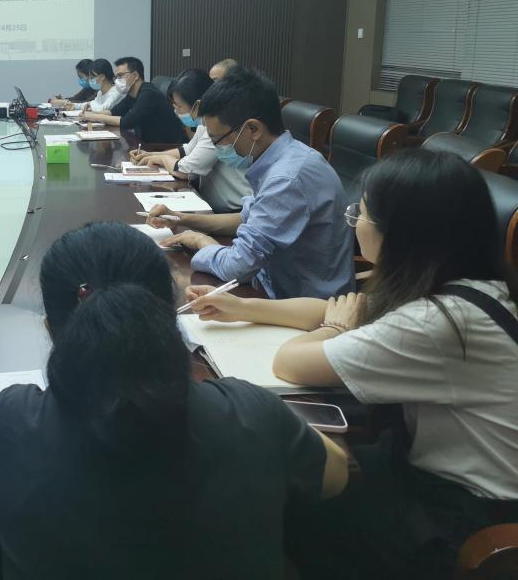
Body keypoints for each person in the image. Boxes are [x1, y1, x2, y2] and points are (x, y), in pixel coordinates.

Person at [0, 221, 347, 580]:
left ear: (51, 329)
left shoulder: (8, 422)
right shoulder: (249, 413)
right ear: (170, 319)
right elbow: (336, 475)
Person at [185, 149, 518, 580]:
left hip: (468, 515)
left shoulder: (438, 322)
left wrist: (335, 330)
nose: (354, 222)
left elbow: (291, 362)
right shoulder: (465, 289)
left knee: (277, 496)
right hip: (431, 471)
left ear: (400, 233)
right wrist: (242, 307)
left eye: (360, 213)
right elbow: (331, 309)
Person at [148, 69, 354, 299]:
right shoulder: (283, 157)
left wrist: (201, 241)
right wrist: (182, 219)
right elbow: (248, 219)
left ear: (253, 129)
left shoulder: (286, 179)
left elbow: (237, 267)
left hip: (298, 303)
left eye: (218, 140)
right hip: (271, 284)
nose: (217, 148)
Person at [131, 69, 251, 213]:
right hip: (212, 203)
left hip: (235, 210)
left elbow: (185, 170)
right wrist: (149, 155)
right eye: (174, 106)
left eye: (179, 106)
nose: (176, 111)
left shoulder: (217, 130)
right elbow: (186, 150)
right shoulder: (204, 124)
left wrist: (161, 158)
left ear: (197, 104)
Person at [81, 57, 185, 145]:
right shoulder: (131, 94)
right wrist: (90, 114)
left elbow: (126, 122)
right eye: (116, 77)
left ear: (135, 76)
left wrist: (94, 117)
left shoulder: (148, 94)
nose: (116, 80)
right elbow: (112, 112)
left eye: (120, 76)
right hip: (145, 143)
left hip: (163, 147)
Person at [56, 58, 124, 114]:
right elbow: (91, 103)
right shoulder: (100, 92)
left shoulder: (116, 92)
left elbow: (102, 109)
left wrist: (90, 105)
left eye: (92, 77)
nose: (90, 80)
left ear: (102, 77)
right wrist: (74, 105)